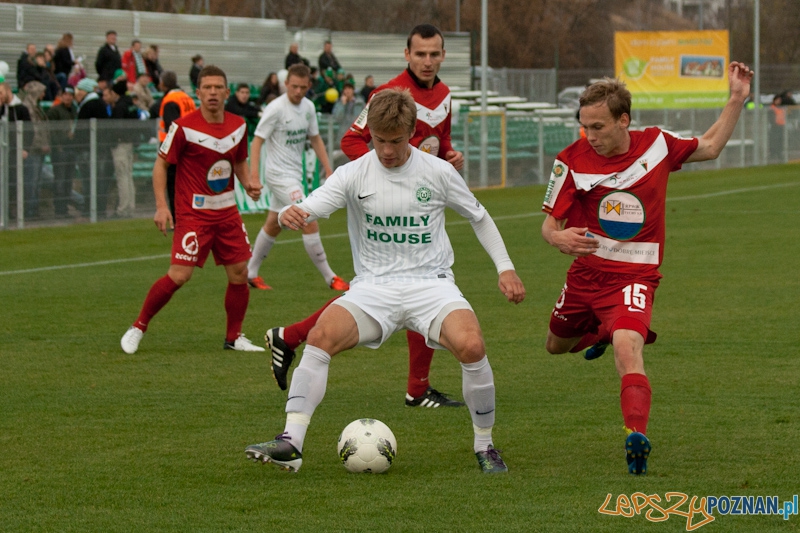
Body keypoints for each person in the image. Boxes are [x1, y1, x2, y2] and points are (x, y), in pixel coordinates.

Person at [244, 88, 525, 474]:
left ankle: (485, 446)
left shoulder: (438, 172)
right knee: (321, 337)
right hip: (374, 287)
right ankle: (291, 443)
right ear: (370, 134)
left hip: (432, 284)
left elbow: (479, 217)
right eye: (379, 140)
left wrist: (505, 267)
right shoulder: (354, 172)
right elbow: (316, 203)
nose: (387, 150)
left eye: (395, 141)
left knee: (472, 346)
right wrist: (297, 211)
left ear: (411, 132)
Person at [540, 62, 753, 475]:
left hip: (635, 277)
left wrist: (736, 99)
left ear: (624, 120)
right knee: (556, 346)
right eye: (585, 126)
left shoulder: (657, 145)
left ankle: (635, 435)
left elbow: (709, 146)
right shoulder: (570, 161)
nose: (591, 136)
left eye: (599, 127)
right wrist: (556, 237)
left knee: (627, 349)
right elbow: (549, 225)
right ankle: (600, 329)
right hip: (585, 277)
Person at [265, 24, 466, 410]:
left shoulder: (445, 95)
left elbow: (440, 145)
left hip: (421, 201)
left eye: (434, 54)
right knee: (390, 289)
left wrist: (450, 158)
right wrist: (383, 174)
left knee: (421, 286)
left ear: (443, 56)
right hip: (384, 204)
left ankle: (292, 338)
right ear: (406, 55)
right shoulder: (387, 95)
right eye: (419, 54)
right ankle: (416, 387)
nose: (427, 61)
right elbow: (350, 140)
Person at [120, 65, 266, 355]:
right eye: (207, 88)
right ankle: (138, 327)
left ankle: (233, 337)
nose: (213, 92)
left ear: (227, 92)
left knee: (240, 273)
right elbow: (161, 165)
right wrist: (162, 207)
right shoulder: (184, 127)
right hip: (193, 214)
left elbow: (237, 161)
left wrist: (247, 182)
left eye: (218, 87)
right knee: (179, 275)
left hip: (227, 213)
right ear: (198, 93)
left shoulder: (238, 125)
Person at [246, 63, 346, 292]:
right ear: (286, 85)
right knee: (306, 218)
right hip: (278, 175)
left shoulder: (309, 107)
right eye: (293, 87)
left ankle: (250, 273)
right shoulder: (275, 108)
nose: (298, 91)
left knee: (273, 224)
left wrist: (328, 169)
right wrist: (254, 177)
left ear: (309, 86)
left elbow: (315, 138)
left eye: (302, 87)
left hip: (294, 175)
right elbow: (257, 140)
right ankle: (331, 278)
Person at [157, 70, 196, 222]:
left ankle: (176, 219)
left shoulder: (170, 100)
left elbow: (171, 127)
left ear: (163, 84)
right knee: (187, 184)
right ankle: (189, 216)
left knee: (173, 185)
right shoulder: (187, 98)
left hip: (174, 147)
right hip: (189, 144)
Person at [74, 77, 112, 218]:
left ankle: (92, 209)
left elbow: (82, 130)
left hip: (89, 149)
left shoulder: (88, 105)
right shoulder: (98, 104)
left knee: (90, 180)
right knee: (97, 180)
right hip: (96, 149)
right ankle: (98, 208)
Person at [105, 79, 141, 218]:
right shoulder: (131, 103)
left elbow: (116, 127)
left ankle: (123, 209)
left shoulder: (119, 106)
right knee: (128, 175)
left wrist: (113, 141)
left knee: (122, 177)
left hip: (120, 143)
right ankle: (130, 207)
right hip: (129, 142)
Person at [46, 84, 78, 218]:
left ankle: (64, 208)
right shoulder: (54, 111)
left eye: (70, 95)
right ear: (61, 96)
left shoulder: (74, 110)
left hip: (71, 149)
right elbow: (51, 130)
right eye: (65, 94)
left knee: (68, 180)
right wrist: (57, 145)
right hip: (60, 150)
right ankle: (59, 209)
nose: (68, 97)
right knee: (60, 180)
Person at [20, 81, 50, 218]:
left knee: (37, 181)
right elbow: (34, 130)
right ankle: (30, 210)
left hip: (38, 150)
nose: (44, 95)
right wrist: (40, 144)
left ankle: (34, 209)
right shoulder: (29, 107)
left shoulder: (36, 106)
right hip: (33, 150)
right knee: (31, 181)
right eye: (42, 91)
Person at [331, 81, 364, 147]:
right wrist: (343, 105)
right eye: (345, 89)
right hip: (343, 135)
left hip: (356, 136)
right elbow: (337, 118)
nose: (347, 90)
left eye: (349, 88)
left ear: (353, 90)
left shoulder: (360, 103)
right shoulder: (339, 103)